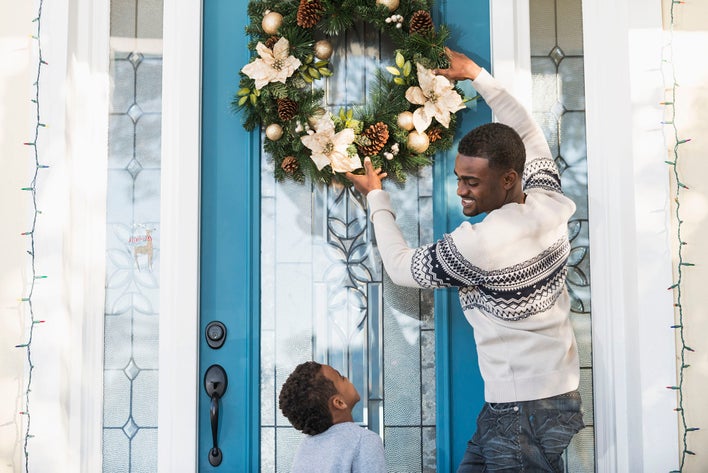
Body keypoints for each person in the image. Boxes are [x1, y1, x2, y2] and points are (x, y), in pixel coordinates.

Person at [346, 47, 585, 472]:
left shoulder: (483, 243)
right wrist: (476, 75)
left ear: (509, 178)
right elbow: (528, 135)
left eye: (472, 182)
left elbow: (401, 268)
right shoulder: (549, 200)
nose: (461, 191)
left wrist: (376, 197)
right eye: (459, 178)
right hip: (550, 399)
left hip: (520, 410)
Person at [279, 361, 385, 473]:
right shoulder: (364, 440)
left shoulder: (305, 447)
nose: (347, 378)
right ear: (339, 403)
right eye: (341, 377)